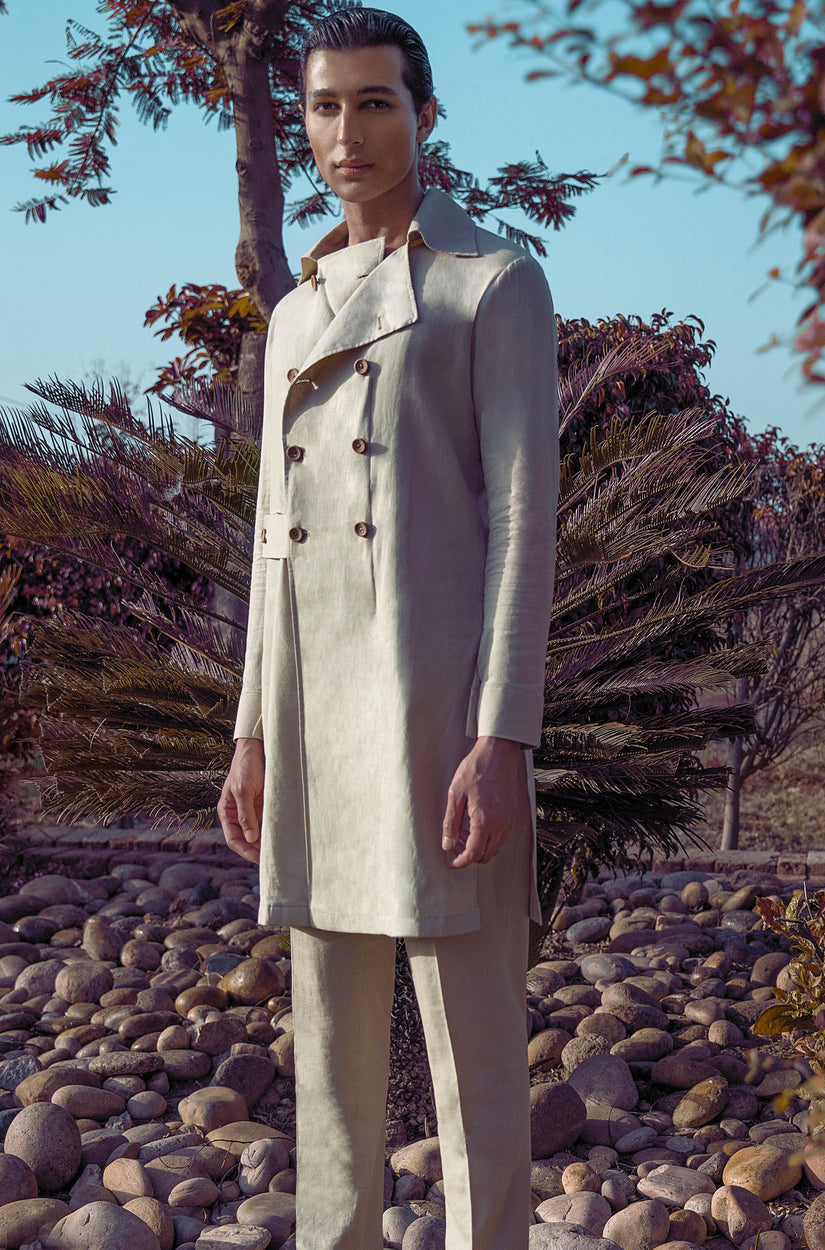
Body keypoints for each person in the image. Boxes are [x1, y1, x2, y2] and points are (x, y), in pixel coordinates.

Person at [217, 8, 559, 1249]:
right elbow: (271, 544)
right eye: (321, 106)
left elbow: (525, 523)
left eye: (373, 102)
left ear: (425, 115)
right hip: (314, 722)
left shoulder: (492, 285)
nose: (344, 131)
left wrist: (503, 735)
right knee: (329, 1077)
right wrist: (252, 729)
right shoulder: (293, 314)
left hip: (437, 719)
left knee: (473, 1071)